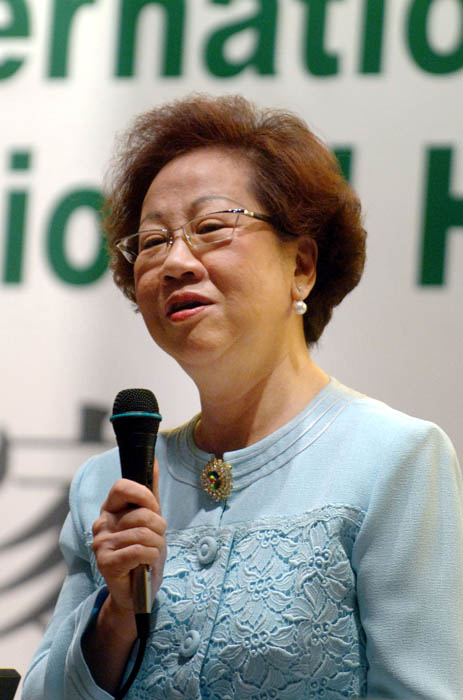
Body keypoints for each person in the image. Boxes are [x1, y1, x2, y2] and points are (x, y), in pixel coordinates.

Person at [23, 94, 462, 700]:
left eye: (209, 228)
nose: (176, 262)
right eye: (152, 241)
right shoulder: (106, 486)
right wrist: (117, 616)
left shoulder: (394, 460)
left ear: (301, 266)